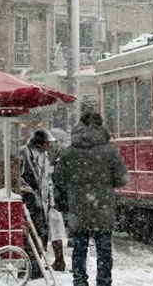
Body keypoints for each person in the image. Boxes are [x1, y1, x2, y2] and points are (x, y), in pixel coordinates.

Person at [54, 111, 129, 286]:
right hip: (103, 208)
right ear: (101, 126)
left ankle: (79, 280)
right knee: (104, 250)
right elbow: (121, 179)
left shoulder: (69, 152)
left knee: (79, 249)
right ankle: (103, 281)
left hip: (78, 209)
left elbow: (58, 179)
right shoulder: (109, 151)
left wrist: (73, 192)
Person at [19, 128, 56, 278]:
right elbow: (16, 176)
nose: (50, 146)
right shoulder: (24, 153)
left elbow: (47, 179)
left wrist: (50, 200)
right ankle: (29, 267)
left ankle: (37, 266)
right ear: (40, 143)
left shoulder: (45, 156)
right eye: (48, 143)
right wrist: (29, 191)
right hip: (30, 202)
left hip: (43, 202)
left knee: (42, 234)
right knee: (30, 236)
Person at [47, 128, 70, 271]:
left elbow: (58, 180)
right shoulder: (64, 155)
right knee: (57, 230)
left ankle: (58, 260)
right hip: (60, 198)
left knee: (53, 229)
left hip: (55, 199)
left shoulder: (56, 158)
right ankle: (59, 260)